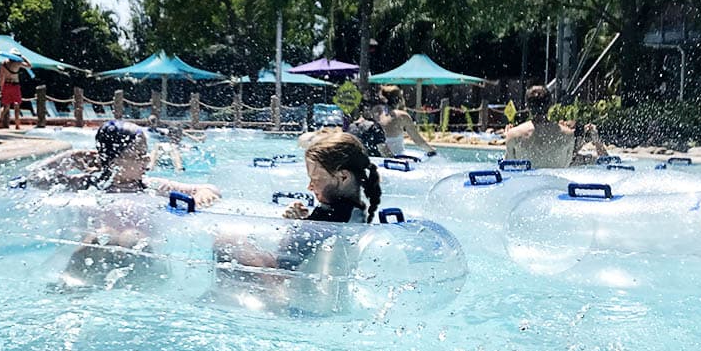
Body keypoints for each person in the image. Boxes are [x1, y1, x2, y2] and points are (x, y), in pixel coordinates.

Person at [216, 132, 382, 273]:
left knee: (226, 240)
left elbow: (286, 261)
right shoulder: (349, 212)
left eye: (315, 179)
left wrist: (296, 226)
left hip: (288, 291)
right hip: (303, 285)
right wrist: (303, 222)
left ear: (343, 177)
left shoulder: (337, 215)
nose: (309, 187)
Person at [27, 120, 220, 206]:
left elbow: (209, 187)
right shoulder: (88, 184)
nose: (146, 160)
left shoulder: (149, 186)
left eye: (145, 154)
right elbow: (35, 179)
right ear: (112, 161)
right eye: (138, 155)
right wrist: (71, 156)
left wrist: (203, 194)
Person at [504, 86, 576, 169]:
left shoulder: (514, 134)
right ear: (550, 105)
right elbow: (566, 165)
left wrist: (508, 136)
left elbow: (509, 166)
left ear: (527, 106)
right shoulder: (567, 134)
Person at [376, 85, 437, 155]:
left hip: (378, 157)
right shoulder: (402, 116)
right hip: (397, 158)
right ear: (399, 100)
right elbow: (418, 141)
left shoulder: (376, 113)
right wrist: (432, 150)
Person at [0, 50, 32, 130]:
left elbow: (1, 77)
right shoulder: (18, 63)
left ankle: (0, 121)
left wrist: (1, 87)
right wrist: (23, 57)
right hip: (15, 85)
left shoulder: (3, 63)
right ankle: (17, 125)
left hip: (6, 85)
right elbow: (29, 66)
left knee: (5, 105)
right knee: (17, 105)